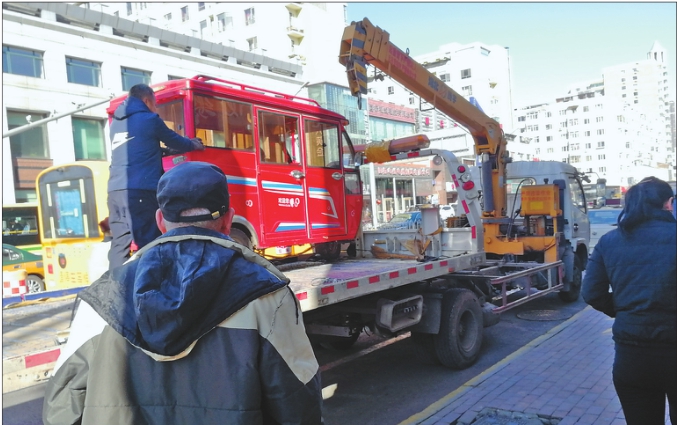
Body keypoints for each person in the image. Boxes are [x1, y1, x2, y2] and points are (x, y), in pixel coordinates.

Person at [43, 162, 323, 424]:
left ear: (161, 222)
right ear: (228, 221)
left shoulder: (103, 298)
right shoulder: (267, 295)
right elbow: (299, 405)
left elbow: (61, 407)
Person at [582, 176, 676, 425]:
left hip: (632, 358)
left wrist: (626, 309)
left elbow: (591, 292)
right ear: (669, 203)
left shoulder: (610, 241)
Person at [107, 83, 205, 270]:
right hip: (140, 190)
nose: (156, 107)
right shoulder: (150, 119)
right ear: (146, 100)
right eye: (155, 103)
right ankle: (152, 285)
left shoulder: (116, 124)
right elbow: (175, 140)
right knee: (149, 242)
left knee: (119, 244)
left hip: (114, 191)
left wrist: (160, 151)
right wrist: (193, 144)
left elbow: (136, 149)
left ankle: (117, 287)